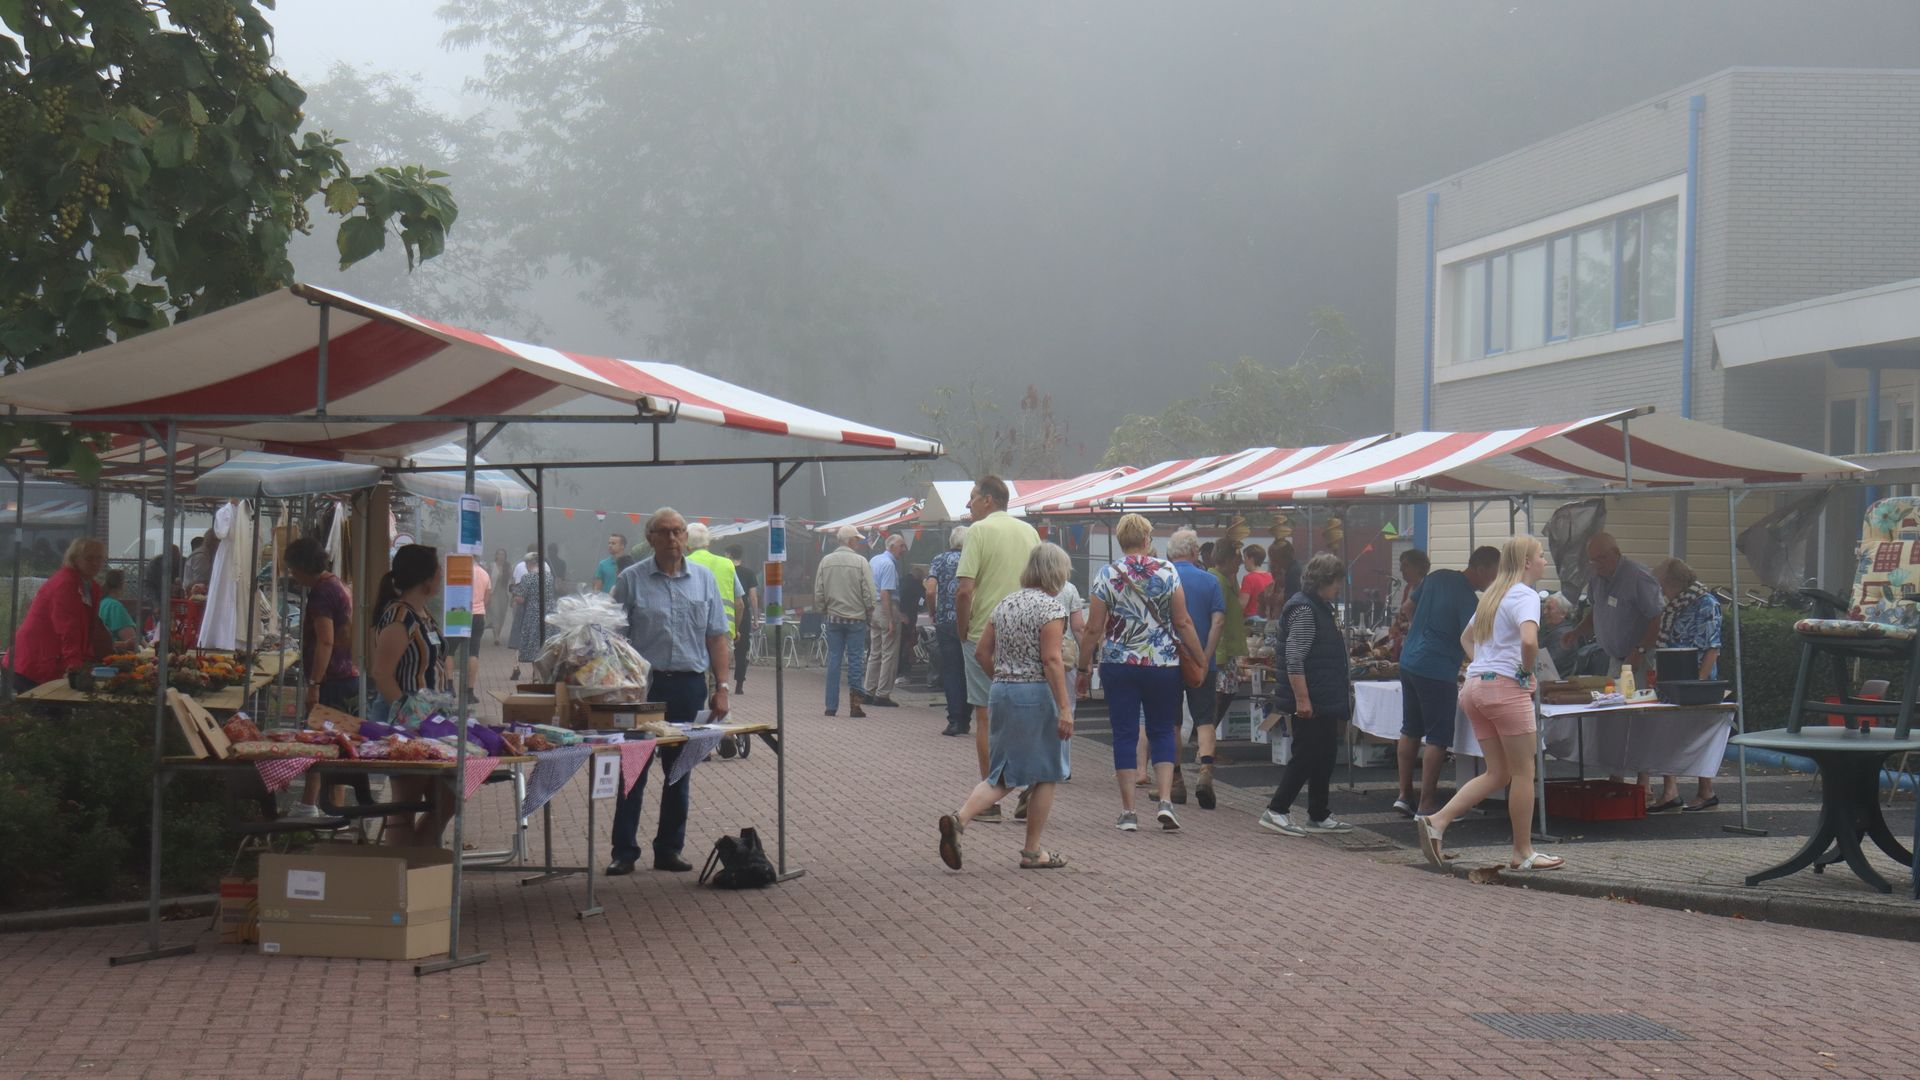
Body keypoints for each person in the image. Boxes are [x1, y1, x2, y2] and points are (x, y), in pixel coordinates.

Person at [1416, 536, 1564, 872]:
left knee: (1497, 772)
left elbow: (1465, 638)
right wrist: (1526, 672)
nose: (1544, 561)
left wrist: (1482, 662)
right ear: (1527, 562)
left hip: (1473, 688)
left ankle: (1437, 821)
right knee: (1524, 773)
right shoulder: (1526, 595)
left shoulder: (1492, 595)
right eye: (1541, 556)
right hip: (1505, 689)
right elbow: (1529, 639)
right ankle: (1522, 852)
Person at [607, 507, 731, 875]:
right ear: (651, 539)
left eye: (679, 531)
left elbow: (716, 636)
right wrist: (618, 687)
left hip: (690, 685)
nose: (674, 539)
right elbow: (614, 638)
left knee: (679, 771)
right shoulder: (631, 579)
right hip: (643, 688)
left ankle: (669, 849)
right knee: (633, 769)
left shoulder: (704, 579)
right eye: (666, 532)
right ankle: (624, 851)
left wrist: (721, 687)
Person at [938, 544, 1075, 871]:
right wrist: (1065, 707)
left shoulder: (1005, 604)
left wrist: (1001, 677)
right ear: (1056, 573)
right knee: (1046, 772)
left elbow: (982, 653)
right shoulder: (1051, 609)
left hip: (1001, 691)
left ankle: (960, 819)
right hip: (1036, 694)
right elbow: (1052, 659)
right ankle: (1032, 851)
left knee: (1001, 771)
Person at [1075, 513, 1207, 833]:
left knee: (1125, 733)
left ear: (1121, 541)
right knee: (1162, 729)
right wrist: (1200, 658)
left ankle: (1128, 811)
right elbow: (1183, 622)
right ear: (1148, 539)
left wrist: (1083, 666)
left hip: (1119, 664)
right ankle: (1164, 801)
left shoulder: (1107, 574)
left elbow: (1093, 627)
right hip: (1162, 665)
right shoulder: (1167, 570)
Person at [956, 476, 1041, 823]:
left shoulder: (977, 532)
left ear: (988, 500)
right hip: (1026, 631)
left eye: (972, 498)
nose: (969, 505)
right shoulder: (1030, 533)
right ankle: (1030, 789)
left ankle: (990, 799)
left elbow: (964, 590)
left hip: (984, 633)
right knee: (1028, 713)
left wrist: (962, 630)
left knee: (985, 715)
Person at [1394, 545, 1501, 818]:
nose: (1495, 580)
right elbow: (1476, 638)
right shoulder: (1468, 599)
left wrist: (1420, 631)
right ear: (1480, 569)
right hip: (1436, 668)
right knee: (1438, 737)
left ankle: (1405, 795)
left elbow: (1407, 607)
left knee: (1410, 729)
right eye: (1494, 574)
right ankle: (1426, 803)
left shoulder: (1436, 576)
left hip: (1409, 660)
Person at [1258, 553, 1356, 836]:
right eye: (1337, 582)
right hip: (1311, 696)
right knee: (1306, 755)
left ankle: (1319, 813)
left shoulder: (1318, 606)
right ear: (1325, 581)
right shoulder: (1305, 609)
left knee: (1324, 755)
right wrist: (1302, 699)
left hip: (1322, 695)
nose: (1339, 588)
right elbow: (1294, 657)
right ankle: (1277, 809)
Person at [368, 544, 453, 846]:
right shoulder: (398, 617)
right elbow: (382, 673)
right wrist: (410, 715)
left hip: (434, 722)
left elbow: (437, 657)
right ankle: (404, 873)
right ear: (427, 579)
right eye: (438, 571)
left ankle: (418, 867)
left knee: (448, 796)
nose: (441, 576)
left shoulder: (423, 613)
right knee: (406, 802)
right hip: (407, 725)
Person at [1649, 557, 1725, 813]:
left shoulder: (1706, 603)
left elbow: (1712, 648)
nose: (1660, 590)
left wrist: (1699, 684)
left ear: (1674, 582)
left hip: (1695, 680)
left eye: (1662, 584)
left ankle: (1706, 790)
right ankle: (1670, 791)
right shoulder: (1675, 605)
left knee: (1698, 736)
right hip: (1671, 677)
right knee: (1666, 734)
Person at [1163, 529, 1224, 811]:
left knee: (1173, 722)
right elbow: (1218, 622)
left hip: (1169, 661)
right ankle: (1205, 773)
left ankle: (1175, 781)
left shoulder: (1162, 579)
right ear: (1195, 551)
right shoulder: (1210, 581)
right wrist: (1206, 656)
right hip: (1203, 663)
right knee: (1204, 720)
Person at [10, 537, 109, 692]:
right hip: (34, 662)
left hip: (51, 660)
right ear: (75, 559)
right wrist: (75, 664)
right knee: (51, 713)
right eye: (89, 558)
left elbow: (90, 627)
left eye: (100, 558)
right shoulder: (66, 584)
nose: (96, 563)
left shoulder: (91, 587)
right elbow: (68, 627)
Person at [1563, 532, 1663, 680]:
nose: (1597, 564)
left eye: (1601, 558)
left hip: (1641, 660)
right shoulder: (1596, 578)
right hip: (1615, 661)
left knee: (1639, 703)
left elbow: (1658, 618)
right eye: (1592, 560)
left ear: (1616, 553)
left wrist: (1640, 651)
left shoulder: (1638, 577)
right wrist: (1577, 632)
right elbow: (1596, 611)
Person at [285, 537, 359, 712]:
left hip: (332, 682)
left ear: (303, 567)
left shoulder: (322, 593)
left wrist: (314, 685)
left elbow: (326, 641)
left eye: (293, 569)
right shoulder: (337, 584)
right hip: (347, 676)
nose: (293, 574)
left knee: (324, 736)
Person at [1206, 537, 1249, 807]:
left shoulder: (1225, 580)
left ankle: (1209, 745)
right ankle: (1208, 747)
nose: (1241, 562)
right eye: (1237, 557)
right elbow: (1217, 620)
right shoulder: (1218, 582)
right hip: (1223, 653)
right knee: (1218, 700)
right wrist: (1219, 654)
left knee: (1224, 697)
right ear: (1227, 558)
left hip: (1228, 651)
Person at [816, 526, 876, 718]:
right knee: (856, 660)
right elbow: (869, 591)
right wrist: (869, 609)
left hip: (834, 617)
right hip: (856, 617)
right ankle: (855, 705)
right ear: (850, 541)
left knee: (834, 659)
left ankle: (831, 706)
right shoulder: (860, 562)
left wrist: (823, 608)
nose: (858, 543)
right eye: (857, 540)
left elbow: (819, 590)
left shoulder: (826, 561)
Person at [926, 526, 970, 736]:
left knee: (951, 671)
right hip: (970, 620)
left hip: (945, 621)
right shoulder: (973, 558)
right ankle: (966, 720)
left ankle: (954, 720)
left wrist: (933, 611)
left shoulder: (939, 559)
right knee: (969, 670)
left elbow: (930, 589)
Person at [864, 533, 907, 707]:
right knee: (889, 652)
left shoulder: (874, 560)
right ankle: (882, 694)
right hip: (885, 607)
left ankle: (869, 690)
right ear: (891, 547)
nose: (904, 549)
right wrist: (891, 619)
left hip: (873, 608)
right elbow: (885, 592)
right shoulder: (889, 565)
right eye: (901, 546)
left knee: (875, 652)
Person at [509, 549, 557, 680]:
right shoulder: (549, 577)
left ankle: (536, 673)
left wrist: (515, 593)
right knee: (545, 643)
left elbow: (521, 599)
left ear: (529, 564)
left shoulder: (527, 578)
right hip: (550, 612)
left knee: (534, 644)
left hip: (533, 613)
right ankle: (545, 672)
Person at [727, 545, 760, 695]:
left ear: (728, 554)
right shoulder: (749, 573)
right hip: (744, 614)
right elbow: (753, 597)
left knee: (723, 648)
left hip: (726, 613)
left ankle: (721, 683)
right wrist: (756, 618)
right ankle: (739, 683)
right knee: (742, 650)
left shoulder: (726, 570)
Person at [97, 569, 139, 648]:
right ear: (122, 584)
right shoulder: (114, 606)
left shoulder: (101, 603)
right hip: (116, 655)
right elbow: (131, 640)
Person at [897, 559, 925, 679]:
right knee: (906, 644)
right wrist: (920, 607)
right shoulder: (916, 584)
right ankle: (904, 669)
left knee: (898, 644)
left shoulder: (901, 581)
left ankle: (897, 669)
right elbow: (922, 599)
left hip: (898, 615)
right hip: (908, 616)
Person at [468, 555, 492, 670]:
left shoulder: (461, 571)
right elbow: (487, 599)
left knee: (451, 651)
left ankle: (449, 681)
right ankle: (470, 686)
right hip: (478, 614)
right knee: (473, 652)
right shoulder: (485, 574)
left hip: (459, 614)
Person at [1239, 543, 1273, 619]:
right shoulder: (1271, 577)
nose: (1243, 562)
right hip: (1267, 618)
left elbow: (1242, 604)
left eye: (1245, 558)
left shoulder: (1248, 578)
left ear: (1251, 559)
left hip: (1251, 620)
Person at [488, 549, 511, 645]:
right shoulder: (492, 566)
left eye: (503, 554)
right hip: (494, 593)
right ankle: (496, 637)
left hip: (503, 593)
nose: (501, 556)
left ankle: (498, 633)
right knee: (495, 614)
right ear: (496, 555)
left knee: (502, 615)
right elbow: (487, 579)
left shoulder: (508, 567)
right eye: (499, 554)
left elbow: (511, 581)